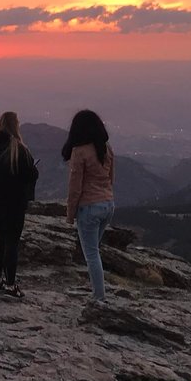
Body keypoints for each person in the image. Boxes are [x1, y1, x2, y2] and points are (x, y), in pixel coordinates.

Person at [0, 111, 39, 297]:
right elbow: (31, 175)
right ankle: (11, 285)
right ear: (15, 125)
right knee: (11, 242)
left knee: (0, 239)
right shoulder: (17, 149)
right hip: (14, 204)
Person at [63, 109, 115, 303]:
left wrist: (70, 214)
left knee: (91, 254)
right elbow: (111, 178)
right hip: (108, 204)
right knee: (95, 252)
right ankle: (97, 290)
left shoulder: (79, 151)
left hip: (90, 207)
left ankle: (98, 297)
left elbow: (75, 186)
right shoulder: (106, 148)